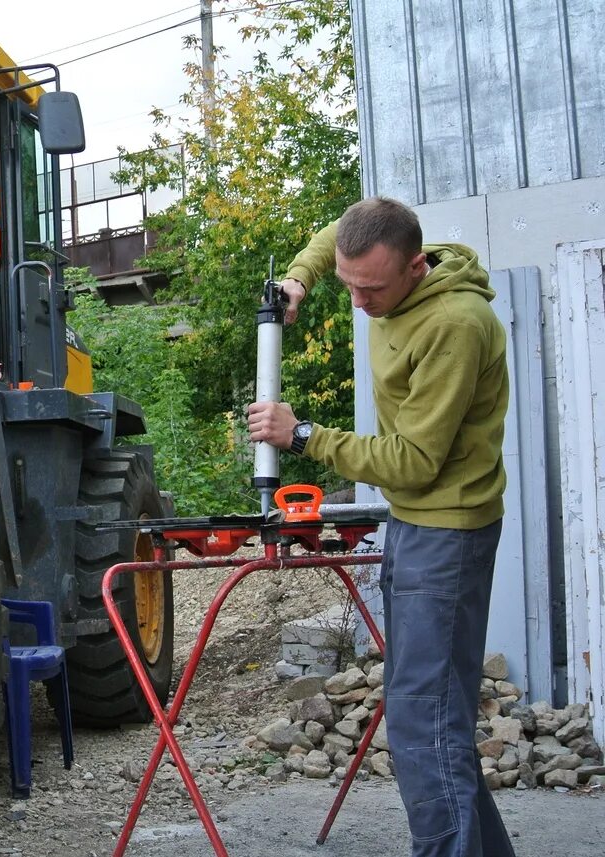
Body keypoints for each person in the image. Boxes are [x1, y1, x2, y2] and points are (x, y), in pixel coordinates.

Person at [247, 197, 514, 857]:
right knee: (429, 713)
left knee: (426, 724)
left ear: (416, 266)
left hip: (446, 531)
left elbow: (416, 462)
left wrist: (302, 433)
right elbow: (337, 231)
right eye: (348, 285)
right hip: (416, 526)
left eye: (372, 289)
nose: (360, 301)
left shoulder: (454, 323)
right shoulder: (373, 249)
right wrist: (300, 280)